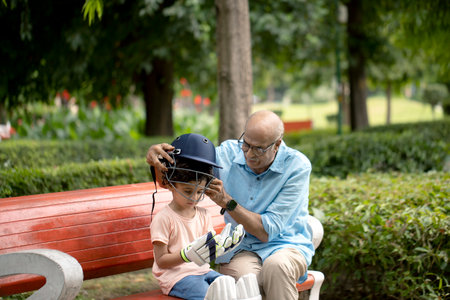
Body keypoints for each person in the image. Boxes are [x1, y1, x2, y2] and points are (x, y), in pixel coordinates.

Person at [147, 111, 314, 300]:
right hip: (242, 249)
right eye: (246, 144)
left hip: (284, 246)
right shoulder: (226, 154)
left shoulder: (297, 167)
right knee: (244, 285)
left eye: (258, 149)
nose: (249, 154)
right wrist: (155, 158)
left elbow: (267, 231)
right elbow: (180, 178)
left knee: (276, 268)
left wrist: (227, 202)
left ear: (277, 144)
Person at [150, 133, 243, 300]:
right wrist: (186, 255)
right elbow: (161, 260)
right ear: (171, 183)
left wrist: (220, 246)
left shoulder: (203, 214)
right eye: (187, 191)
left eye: (199, 191)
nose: (193, 198)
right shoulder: (164, 218)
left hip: (203, 271)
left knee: (232, 289)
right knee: (211, 296)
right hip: (176, 277)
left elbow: (206, 248)